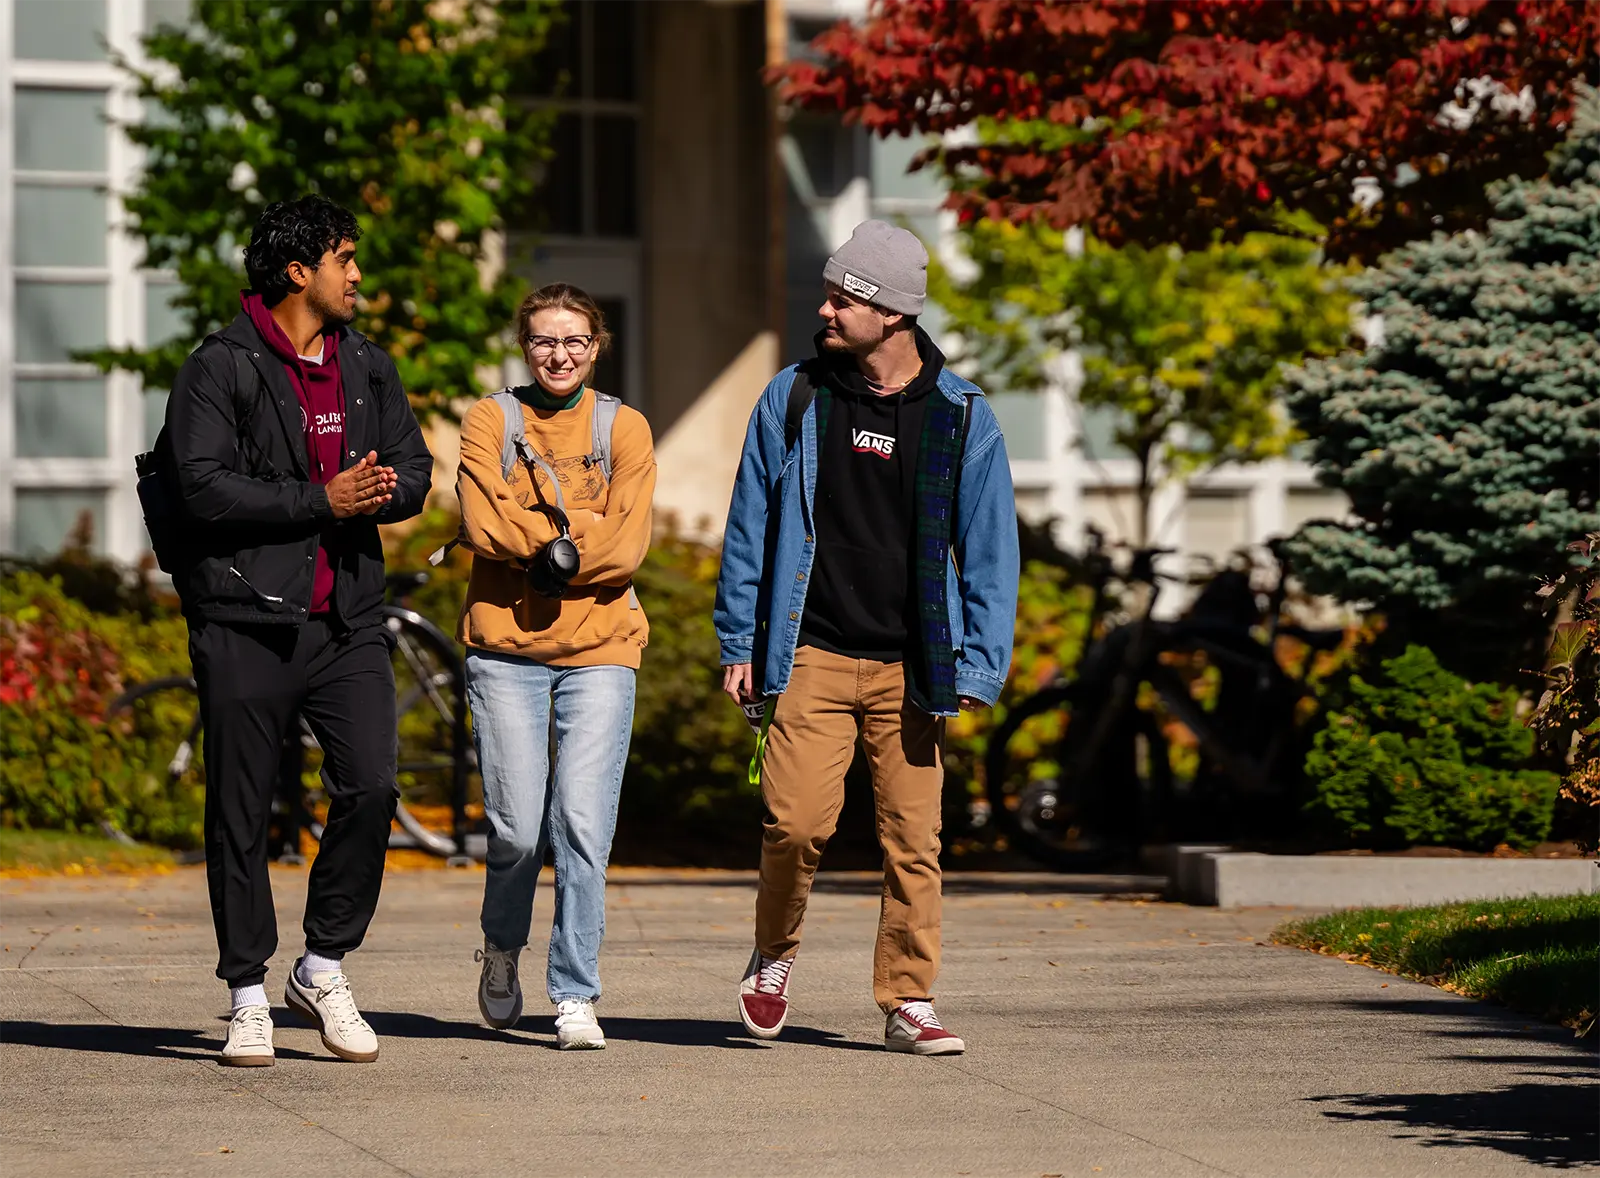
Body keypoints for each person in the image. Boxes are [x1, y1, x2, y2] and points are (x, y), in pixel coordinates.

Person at [715, 220, 1020, 1055]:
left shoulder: (962, 417)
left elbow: (991, 551)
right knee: (795, 824)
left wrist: (980, 663)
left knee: (913, 840)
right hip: (807, 649)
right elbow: (749, 525)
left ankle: (907, 998)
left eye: (842, 298)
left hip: (913, 662)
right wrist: (738, 640)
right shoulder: (797, 397)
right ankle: (773, 956)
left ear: (892, 314)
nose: (825, 309)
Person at [159, 195, 433, 1066]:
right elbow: (198, 485)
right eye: (345, 257)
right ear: (297, 270)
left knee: (375, 787)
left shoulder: (367, 365)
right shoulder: (220, 366)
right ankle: (247, 991)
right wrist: (320, 500)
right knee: (239, 811)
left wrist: (384, 489)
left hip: (346, 616)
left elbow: (417, 470)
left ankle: (321, 965)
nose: (357, 274)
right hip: (244, 616)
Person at [455, 284, 656, 1049]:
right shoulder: (490, 419)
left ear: (596, 346)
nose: (559, 354)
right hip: (505, 649)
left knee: (580, 824)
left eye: (574, 341)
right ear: (524, 345)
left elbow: (630, 544)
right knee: (514, 828)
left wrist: (538, 541)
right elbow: (481, 521)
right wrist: (579, 537)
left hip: (602, 649)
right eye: (544, 341)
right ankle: (501, 950)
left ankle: (574, 990)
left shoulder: (624, 428)